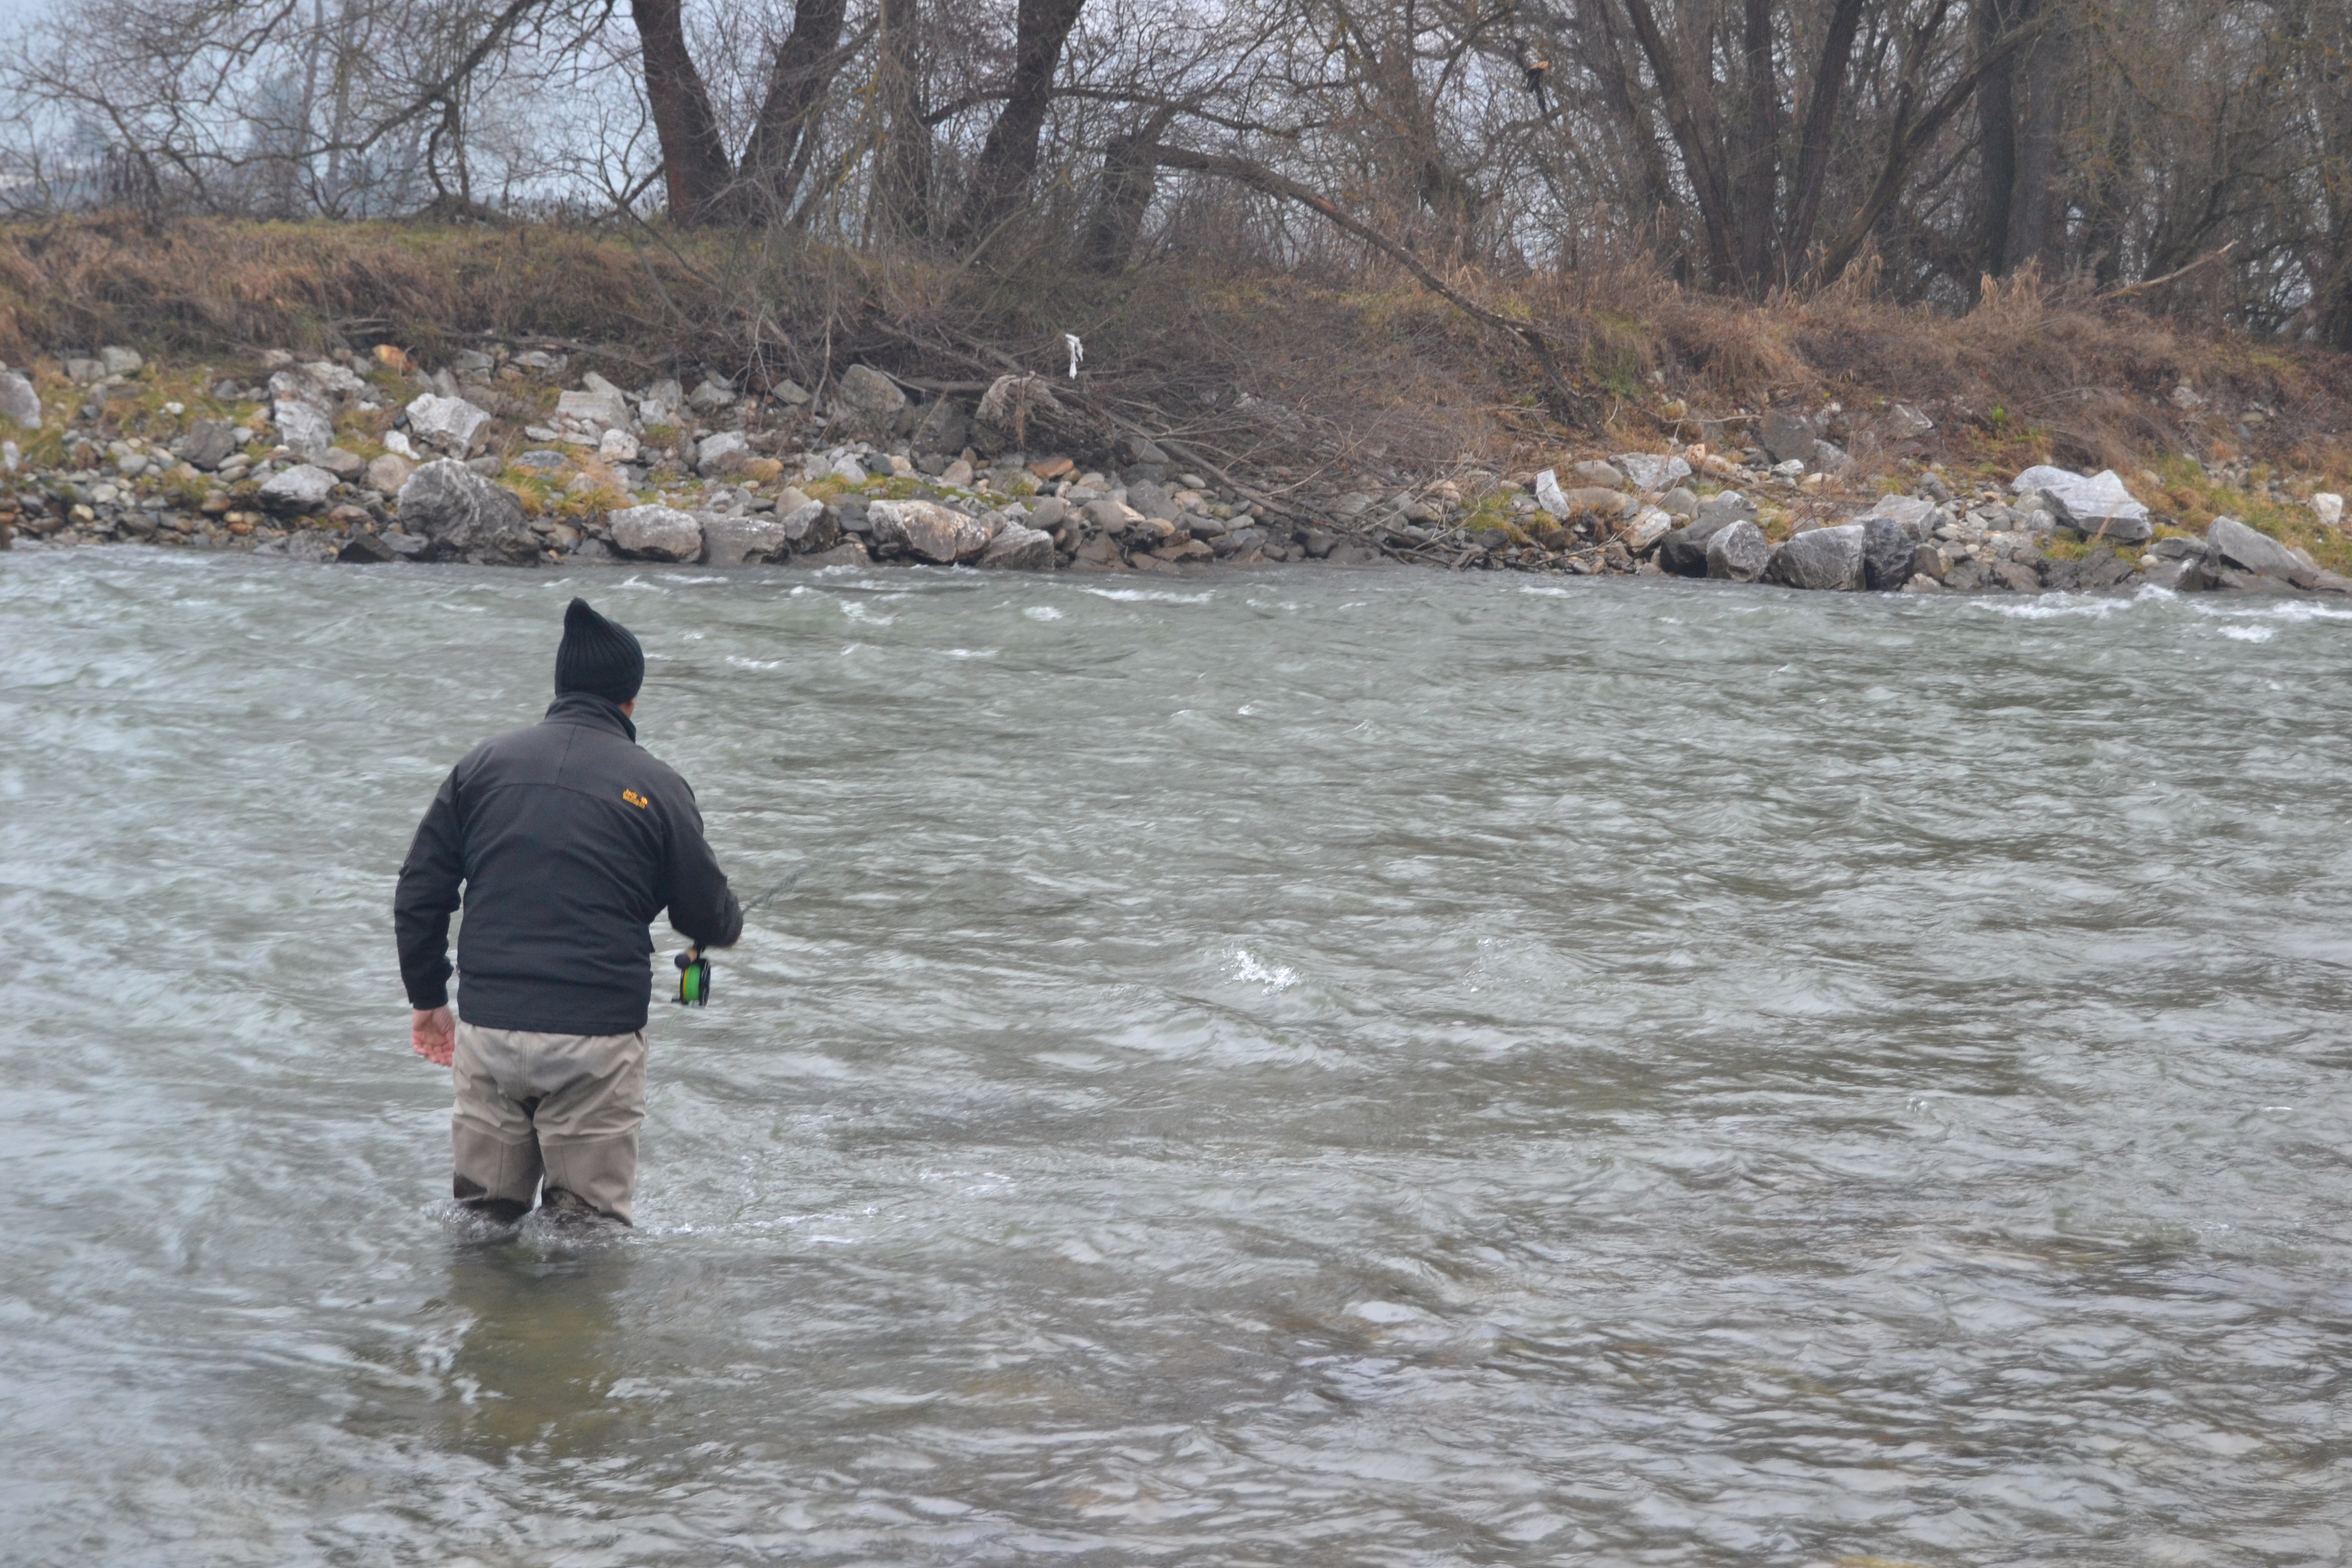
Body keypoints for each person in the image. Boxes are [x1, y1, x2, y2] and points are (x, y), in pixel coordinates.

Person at [395, 598, 741, 1227]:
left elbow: (420, 892)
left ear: (559, 687)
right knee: (587, 1235)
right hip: (597, 1040)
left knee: (481, 1221)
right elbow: (707, 917)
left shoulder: (482, 767)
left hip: (489, 1030)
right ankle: (569, 1325)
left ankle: (478, 1325)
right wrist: (726, 922)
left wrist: (428, 1000)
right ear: (630, 699)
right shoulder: (657, 785)